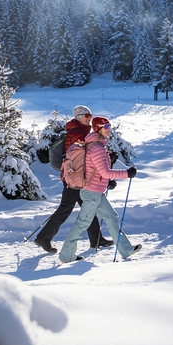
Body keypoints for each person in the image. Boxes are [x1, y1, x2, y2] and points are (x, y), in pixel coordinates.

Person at [59, 116, 142, 263]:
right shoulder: (96, 148)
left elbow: (98, 172)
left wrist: (106, 182)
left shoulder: (97, 145)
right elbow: (105, 172)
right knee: (82, 223)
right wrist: (127, 173)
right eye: (106, 127)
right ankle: (67, 256)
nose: (109, 130)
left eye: (109, 126)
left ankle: (125, 249)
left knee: (111, 217)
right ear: (97, 128)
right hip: (91, 194)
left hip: (96, 192)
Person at [33, 105, 110, 252]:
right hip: (74, 178)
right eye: (87, 116)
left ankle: (97, 239)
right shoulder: (77, 133)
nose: (89, 119)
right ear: (78, 117)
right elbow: (86, 154)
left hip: (77, 177)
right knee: (66, 210)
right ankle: (44, 238)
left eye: (90, 116)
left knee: (88, 207)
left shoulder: (79, 131)